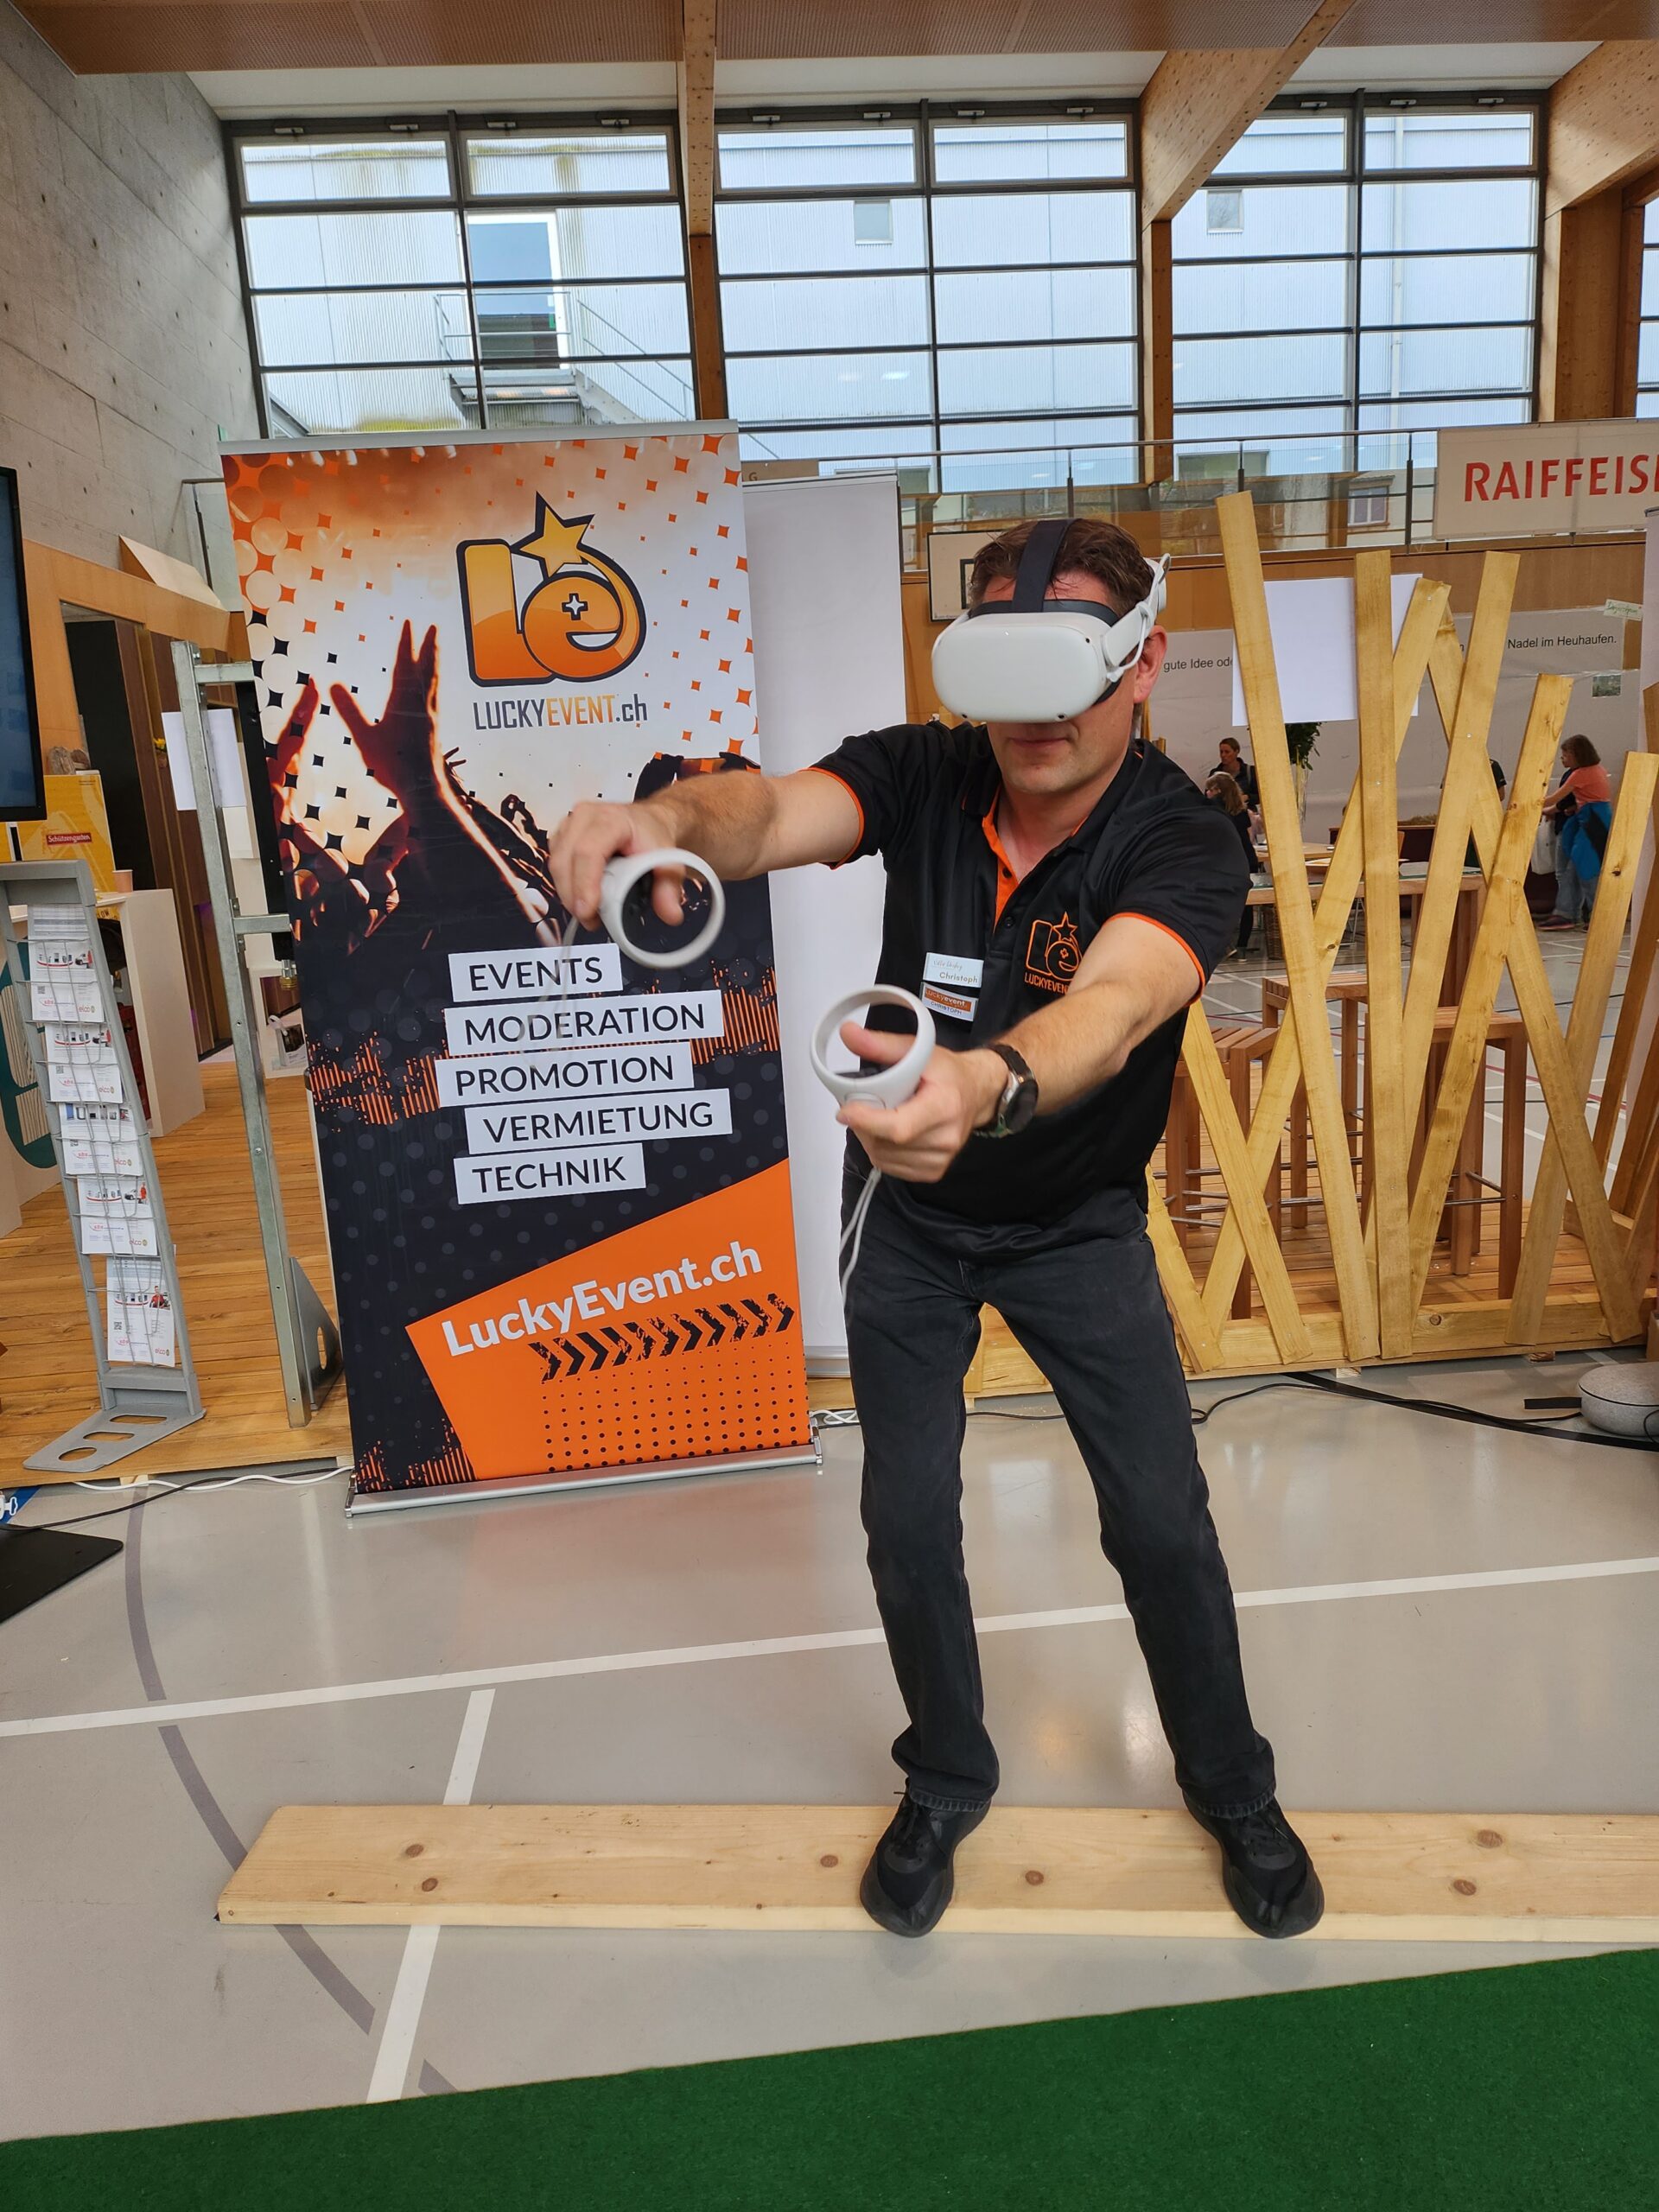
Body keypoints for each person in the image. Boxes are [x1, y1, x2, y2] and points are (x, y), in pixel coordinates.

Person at [550, 515, 1321, 1945]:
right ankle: (947, 1775)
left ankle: (1232, 1786)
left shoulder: (1182, 836)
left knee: (1162, 1523)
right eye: (1001, 670)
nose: (1032, 714)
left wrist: (985, 1083)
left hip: (1077, 1222)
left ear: (1143, 662)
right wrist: (667, 824)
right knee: (905, 1518)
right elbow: (768, 813)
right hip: (907, 1222)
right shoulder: (928, 771)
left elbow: (1120, 1004)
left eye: (1066, 670)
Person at [1539, 736, 1611, 931]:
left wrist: (1528, 802)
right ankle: (1567, 913)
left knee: (1587, 867)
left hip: (1594, 822)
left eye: (1565, 755)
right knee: (1575, 867)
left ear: (1576, 755)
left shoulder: (1580, 774)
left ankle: (1595, 915)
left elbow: (1554, 799)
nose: (1562, 759)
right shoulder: (1597, 770)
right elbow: (1588, 797)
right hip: (1590, 819)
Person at [1205, 771, 1256, 957]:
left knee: (1218, 902)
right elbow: (1247, 836)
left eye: (1209, 789)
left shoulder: (1214, 808)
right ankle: (1242, 944)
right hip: (1247, 858)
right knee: (1248, 903)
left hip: (1226, 861)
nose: (1207, 793)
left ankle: (1225, 944)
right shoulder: (1241, 811)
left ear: (1218, 790)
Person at [1210, 736, 1259, 809]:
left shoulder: (1250, 771)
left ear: (1236, 752)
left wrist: (1247, 797)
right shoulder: (1215, 774)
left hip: (1245, 812)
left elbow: (1260, 795)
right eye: (1221, 752)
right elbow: (1208, 797)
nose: (1223, 755)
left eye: (1227, 752)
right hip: (1224, 813)